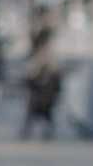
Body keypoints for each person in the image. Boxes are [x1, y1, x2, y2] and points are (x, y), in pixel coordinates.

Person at [20, 9, 64, 138]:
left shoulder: (47, 34)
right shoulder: (38, 34)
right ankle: (29, 129)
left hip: (45, 73)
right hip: (39, 72)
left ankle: (41, 130)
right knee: (34, 105)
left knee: (44, 107)